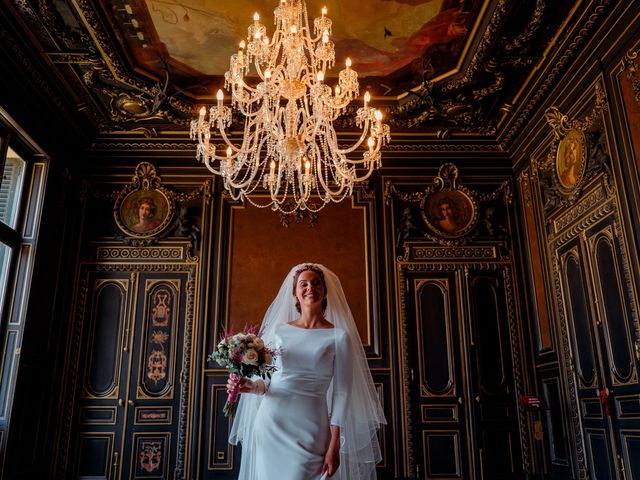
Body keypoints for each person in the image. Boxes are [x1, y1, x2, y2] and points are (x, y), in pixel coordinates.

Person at [227, 263, 386, 479]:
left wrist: (335, 444)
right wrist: (252, 386)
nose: (310, 287)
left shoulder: (339, 337)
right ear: (295, 294)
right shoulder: (279, 330)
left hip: (312, 428)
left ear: (324, 290)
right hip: (272, 423)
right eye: (303, 284)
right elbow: (269, 380)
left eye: (316, 283)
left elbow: (342, 393)